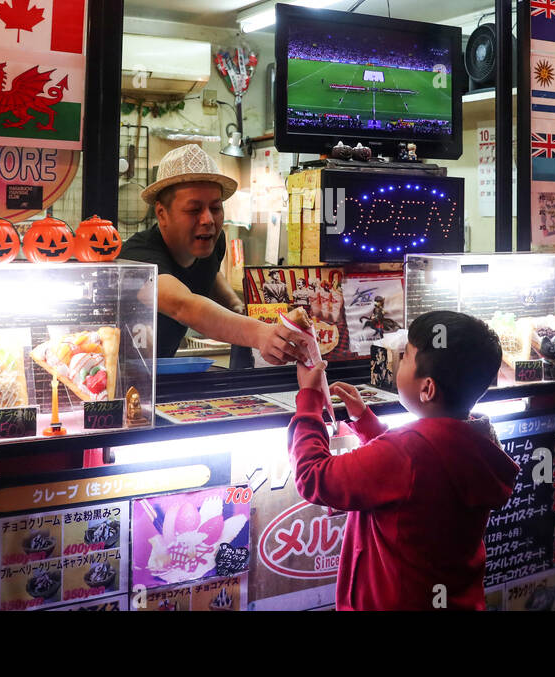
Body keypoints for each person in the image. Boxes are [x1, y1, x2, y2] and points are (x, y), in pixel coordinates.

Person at [288, 310, 520, 610]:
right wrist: (365, 422)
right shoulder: (478, 441)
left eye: (405, 357)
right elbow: (417, 478)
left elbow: (313, 477)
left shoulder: (407, 451)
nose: (397, 362)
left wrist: (308, 401)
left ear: (427, 389)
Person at [118, 144, 305, 366]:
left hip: (161, 371)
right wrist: (262, 334)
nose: (208, 220)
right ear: (162, 213)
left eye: (215, 208)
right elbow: (183, 305)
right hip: (116, 377)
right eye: (194, 210)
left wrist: (235, 305)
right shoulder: (138, 257)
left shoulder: (211, 244)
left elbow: (210, 271)